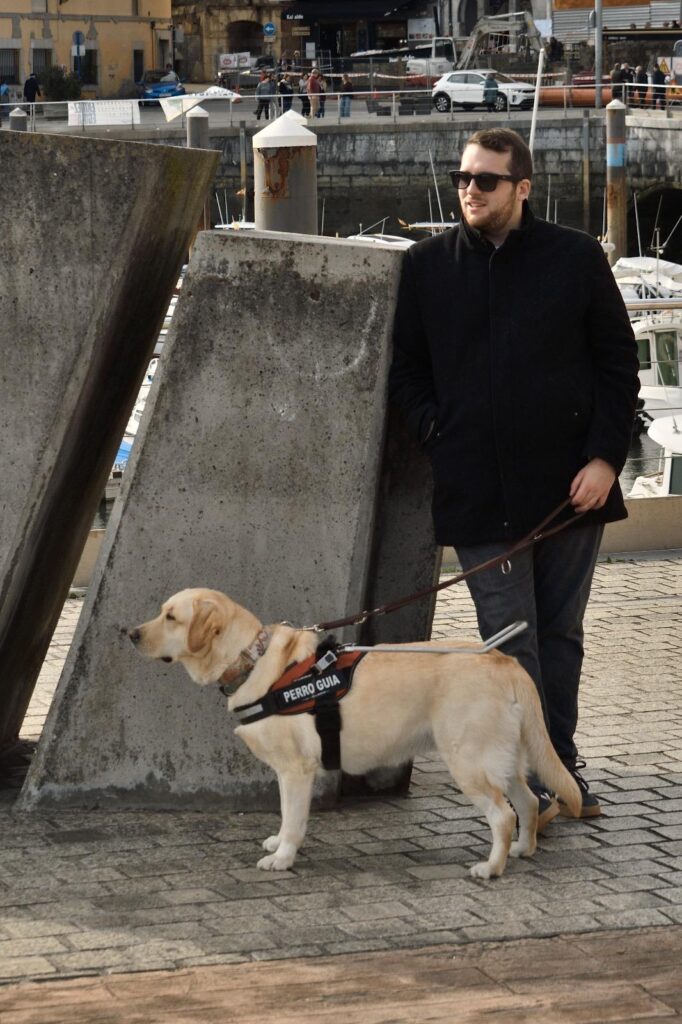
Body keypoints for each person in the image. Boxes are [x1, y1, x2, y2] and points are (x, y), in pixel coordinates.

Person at [388, 128, 639, 828]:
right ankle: (536, 779)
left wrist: (604, 460)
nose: (470, 189)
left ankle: (560, 761)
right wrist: (439, 429)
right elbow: (405, 370)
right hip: (477, 490)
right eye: (463, 176)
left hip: (571, 489)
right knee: (511, 641)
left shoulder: (576, 258)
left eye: (487, 180)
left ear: (522, 188)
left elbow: (619, 366)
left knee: (560, 635)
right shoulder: (428, 266)